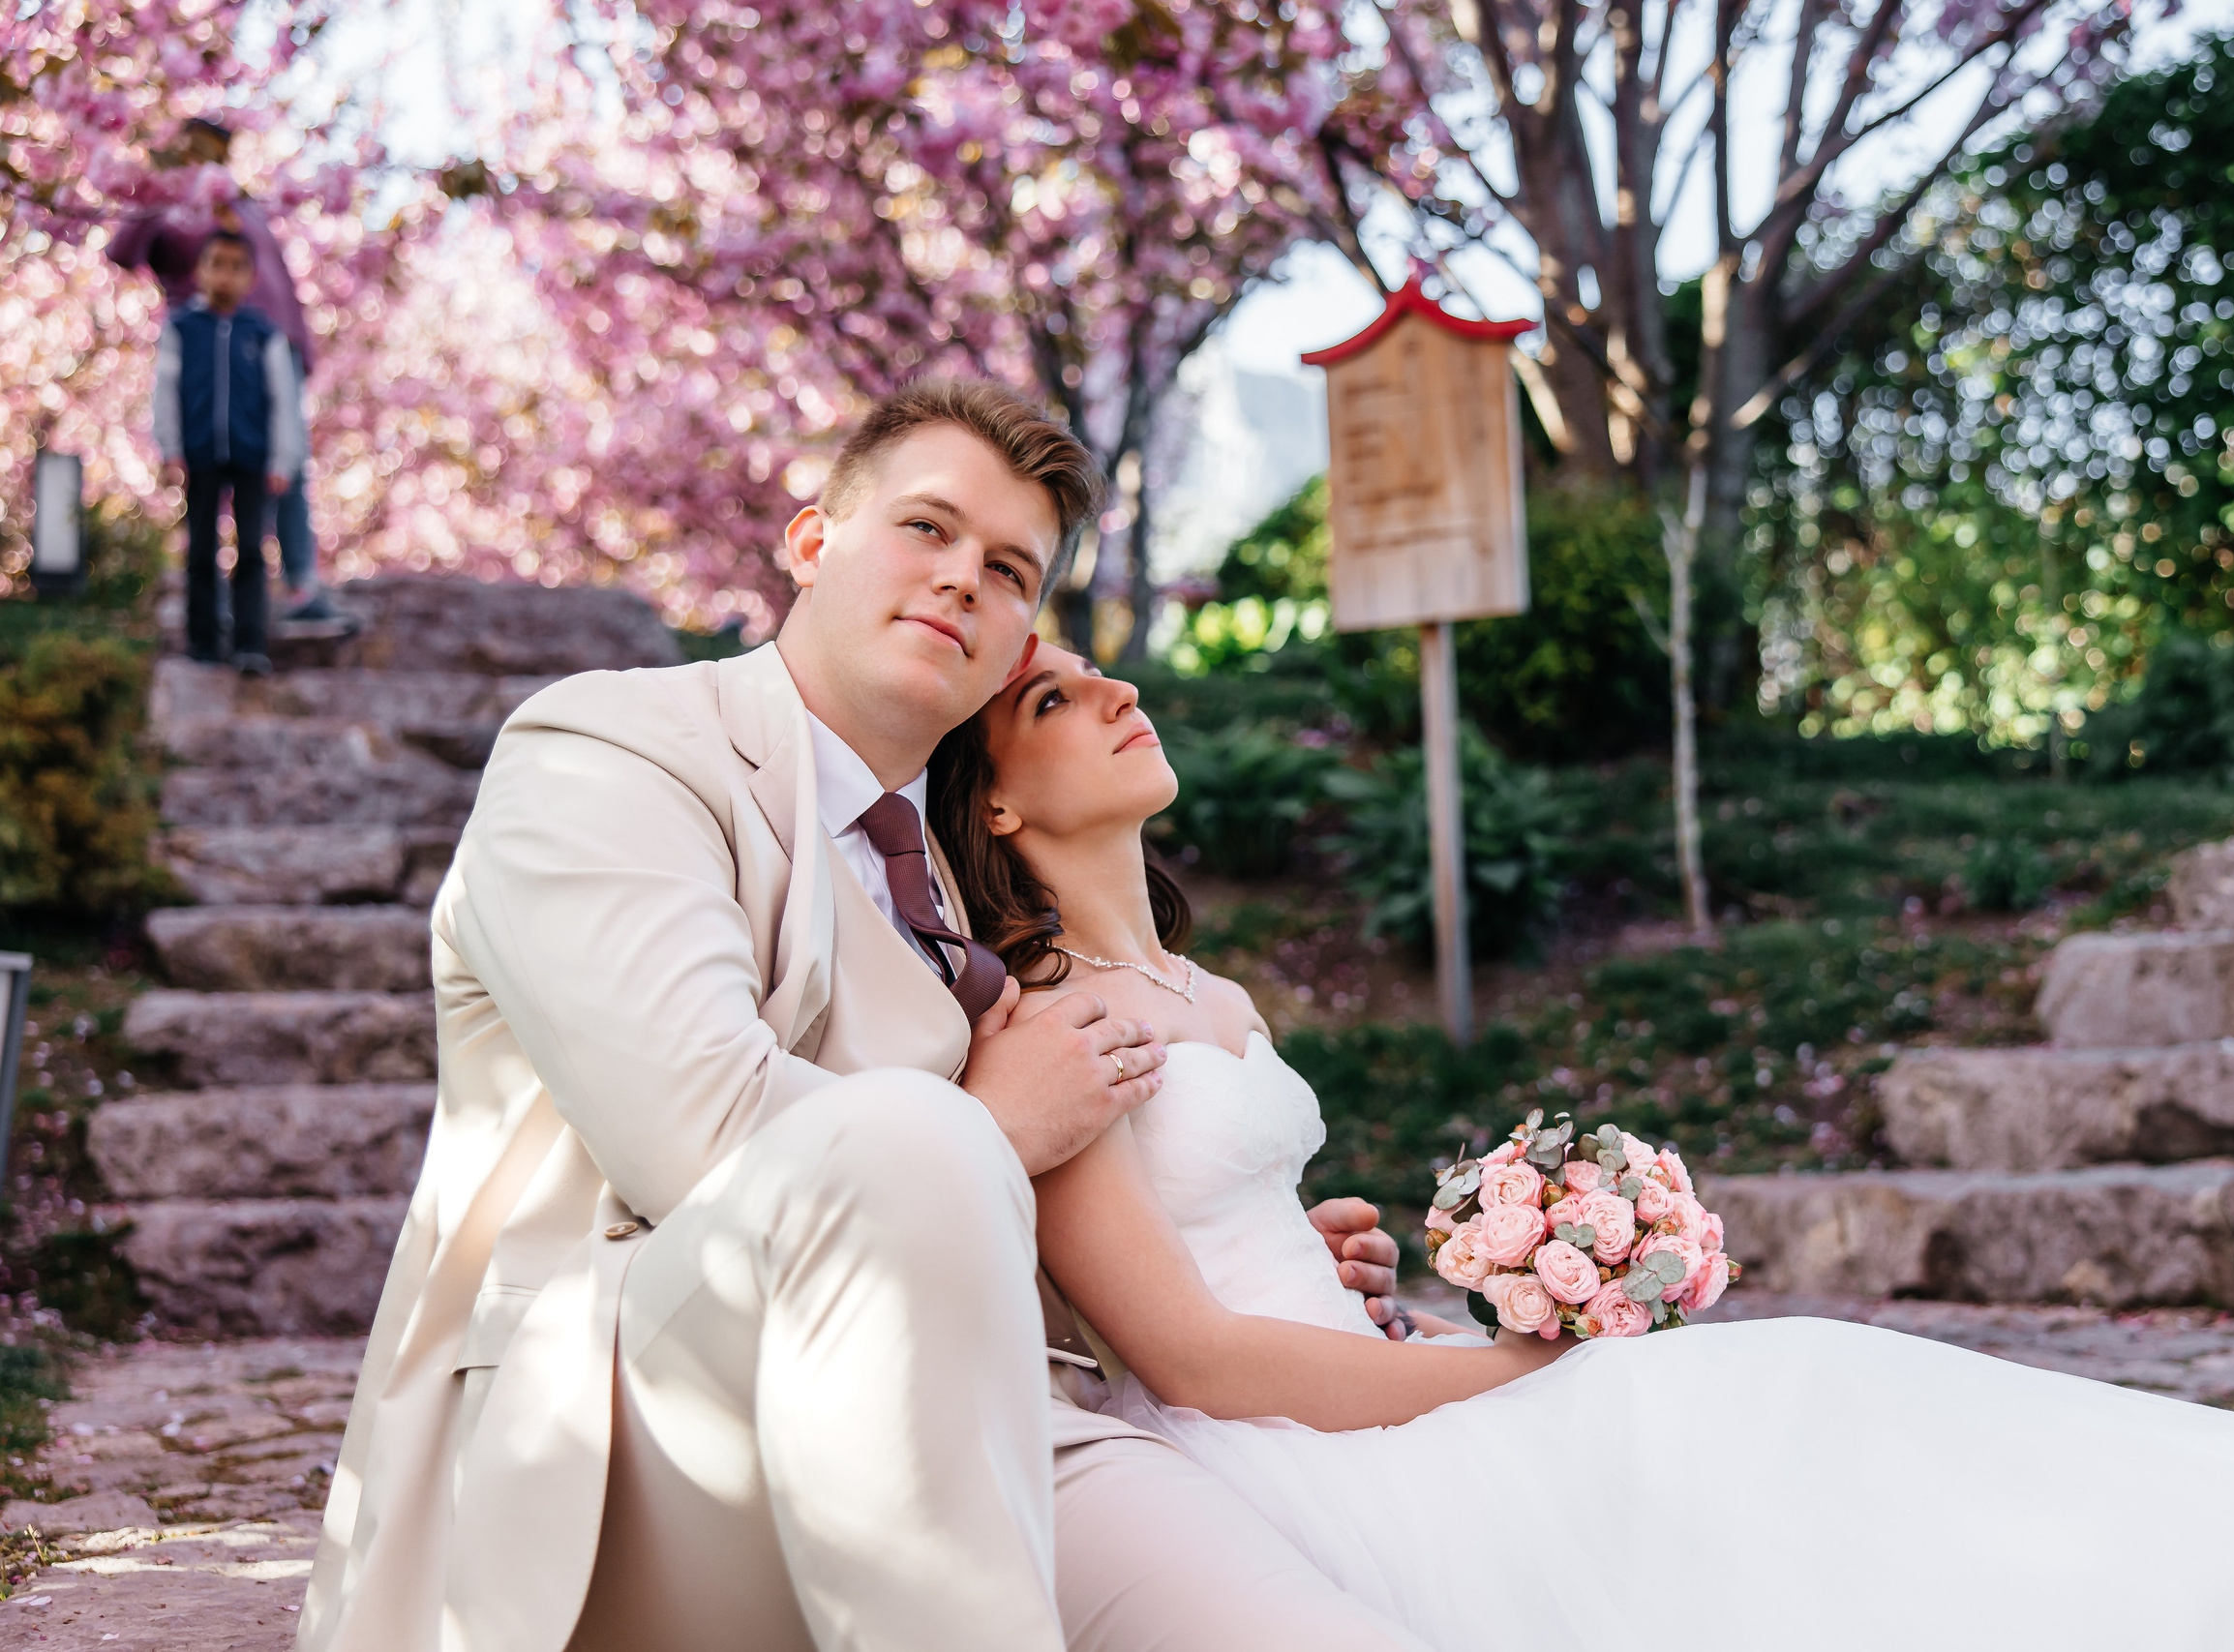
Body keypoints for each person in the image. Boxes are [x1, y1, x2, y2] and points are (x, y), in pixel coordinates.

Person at [927, 639, 2234, 1652]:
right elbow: (1191, 1349)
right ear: (991, 803)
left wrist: (1371, 1272)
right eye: (1052, 700)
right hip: (1290, 1452)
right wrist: (1520, 1362)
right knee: (1784, 1392)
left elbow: (1241, 1235)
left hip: (1368, 1369)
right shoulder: (1049, 1015)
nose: (1117, 687)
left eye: (1095, 668)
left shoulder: (1211, 990)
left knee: (1815, 1406)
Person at [298, 378, 1421, 1652]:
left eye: (1008, 570)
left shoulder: (957, 887)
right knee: (909, 1133)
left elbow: (1001, 1220)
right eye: (927, 529)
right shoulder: (610, 748)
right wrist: (988, 1121)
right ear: (813, 540)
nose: (962, 580)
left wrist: (1224, 1258)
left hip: (1018, 1405)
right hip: (637, 1425)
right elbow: (705, 1136)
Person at [110, 116, 343, 624]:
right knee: (210, 478)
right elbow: (123, 253)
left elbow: (277, 277)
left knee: (285, 470)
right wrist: (158, 187)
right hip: (208, 359)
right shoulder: (173, 210)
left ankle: (302, 588)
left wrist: (299, 342)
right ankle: (209, 597)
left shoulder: (246, 208)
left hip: (271, 354)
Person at [154, 230, 302, 675]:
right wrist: (170, 448)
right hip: (200, 453)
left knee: (253, 550)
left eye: (236, 266)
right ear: (199, 270)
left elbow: (284, 400)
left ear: (251, 277)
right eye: (216, 263)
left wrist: (282, 458)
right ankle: (201, 642)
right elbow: (165, 391)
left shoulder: (263, 333)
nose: (225, 274)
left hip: (253, 456)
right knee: (200, 548)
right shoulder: (182, 328)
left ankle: (250, 642)